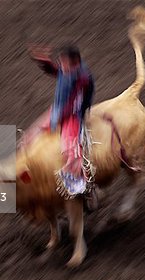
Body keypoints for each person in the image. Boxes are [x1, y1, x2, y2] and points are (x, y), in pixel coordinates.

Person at [28, 44, 96, 201]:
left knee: (71, 153)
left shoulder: (82, 78)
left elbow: (73, 104)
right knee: (30, 137)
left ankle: (88, 189)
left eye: (65, 63)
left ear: (76, 63)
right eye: (61, 62)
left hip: (72, 116)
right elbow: (57, 72)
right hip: (58, 110)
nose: (62, 67)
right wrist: (45, 63)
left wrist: (55, 119)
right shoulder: (69, 70)